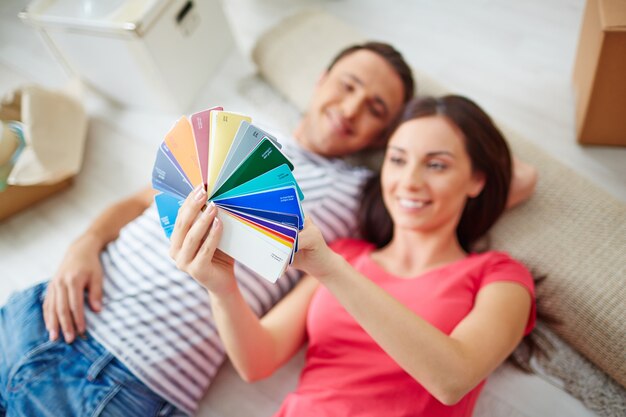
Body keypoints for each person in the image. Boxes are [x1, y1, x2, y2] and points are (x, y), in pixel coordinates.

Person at [0, 41, 534, 416]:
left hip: (122, 373)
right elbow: (145, 199)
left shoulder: (360, 197)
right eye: (346, 85)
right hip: (43, 306)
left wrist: (424, 151)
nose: (350, 109)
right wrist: (85, 242)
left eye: (376, 109)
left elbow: (492, 176)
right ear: (319, 82)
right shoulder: (241, 131)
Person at [169, 95, 536, 416]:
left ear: (477, 179)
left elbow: (452, 379)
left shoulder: (500, 276)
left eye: (436, 164)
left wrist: (328, 269)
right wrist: (222, 288)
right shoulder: (348, 255)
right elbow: (257, 362)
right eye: (397, 159)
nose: (409, 181)